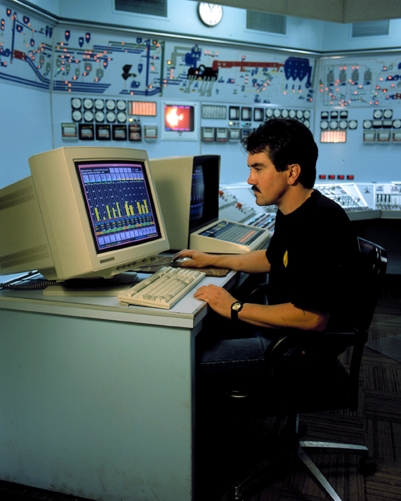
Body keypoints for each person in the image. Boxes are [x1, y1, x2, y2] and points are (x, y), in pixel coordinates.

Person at [174, 118, 359, 388]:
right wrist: (211, 259)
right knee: (204, 333)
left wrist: (234, 307)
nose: (250, 179)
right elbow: (272, 258)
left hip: (298, 349)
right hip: (284, 334)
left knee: (182, 364)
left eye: (258, 168)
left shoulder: (321, 222)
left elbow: (312, 318)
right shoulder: (294, 211)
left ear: (292, 173)